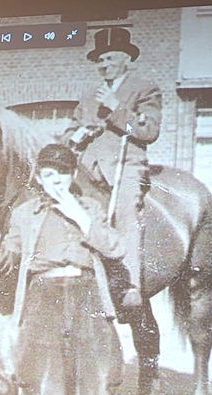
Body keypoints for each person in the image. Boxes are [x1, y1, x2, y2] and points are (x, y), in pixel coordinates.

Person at [0, 144, 124, 395]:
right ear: (39, 178)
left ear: (72, 175)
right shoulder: (25, 214)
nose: (56, 179)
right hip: (43, 300)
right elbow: (4, 262)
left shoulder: (91, 208)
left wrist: (78, 214)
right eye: (49, 174)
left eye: (62, 172)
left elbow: (115, 247)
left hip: (87, 297)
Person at [60, 27, 161, 309]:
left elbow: (147, 131)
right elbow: (71, 128)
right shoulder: (89, 94)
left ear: (126, 59)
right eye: (99, 60)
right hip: (87, 166)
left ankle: (130, 286)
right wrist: (75, 135)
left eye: (109, 58)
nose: (103, 65)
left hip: (124, 164)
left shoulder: (145, 89)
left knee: (125, 211)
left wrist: (116, 107)